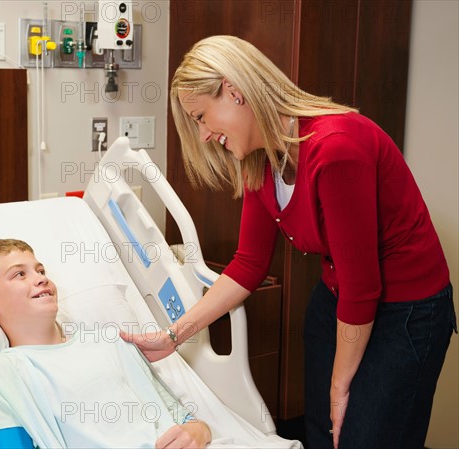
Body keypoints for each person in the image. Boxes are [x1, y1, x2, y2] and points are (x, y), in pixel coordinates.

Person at [121, 35, 457, 449]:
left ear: (234, 91)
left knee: (361, 435)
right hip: (339, 300)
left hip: (406, 311)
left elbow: (363, 285)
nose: (205, 135)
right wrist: (172, 336)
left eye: (203, 117)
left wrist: (339, 388)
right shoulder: (261, 159)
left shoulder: (336, 149)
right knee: (321, 434)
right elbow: (247, 264)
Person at [0, 239, 212, 449]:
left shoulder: (112, 341)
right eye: (19, 274)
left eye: (40, 270)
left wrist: (200, 431)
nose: (40, 279)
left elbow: (183, 419)